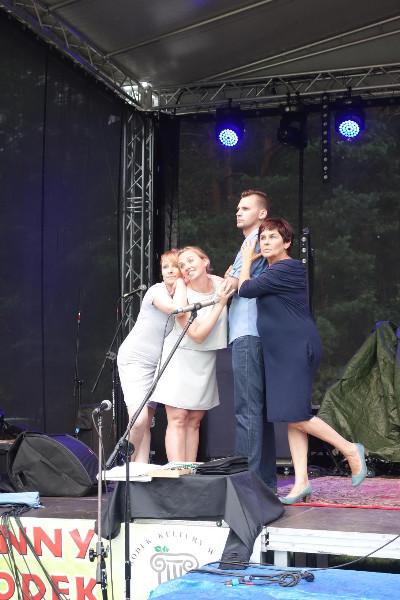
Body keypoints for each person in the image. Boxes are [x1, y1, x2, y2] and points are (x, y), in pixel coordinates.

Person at [238, 217, 367, 503]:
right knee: (291, 416)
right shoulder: (271, 271)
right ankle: (301, 482)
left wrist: (247, 259)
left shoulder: (288, 267)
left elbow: (244, 289)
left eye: (273, 237)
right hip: (280, 352)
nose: (266, 242)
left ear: (287, 243)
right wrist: (250, 262)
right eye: (263, 238)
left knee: (295, 415)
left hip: (295, 348)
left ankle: (350, 449)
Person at [151, 246, 234, 462]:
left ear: (205, 261)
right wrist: (220, 304)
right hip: (180, 355)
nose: (186, 266)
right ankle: (177, 471)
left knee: (195, 420)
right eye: (182, 264)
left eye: (191, 260)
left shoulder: (219, 283)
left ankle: (190, 472)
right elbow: (196, 335)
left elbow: (238, 281)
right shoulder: (182, 289)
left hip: (205, 358)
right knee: (178, 417)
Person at [226, 190, 277, 491]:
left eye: (245, 208)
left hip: (248, 333)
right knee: (258, 412)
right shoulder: (252, 243)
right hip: (254, 334)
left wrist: (224, 280)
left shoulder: (256, 241)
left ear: (262, 213)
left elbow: (234, 286)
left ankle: (247, 486)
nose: (238, 211)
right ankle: (264, 484)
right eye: (237, 207)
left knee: (247, 411)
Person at [117, 250, 183, 463]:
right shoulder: (156, 291)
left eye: (175, 266)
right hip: (135, 360)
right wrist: (181, 284)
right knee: (138, 420)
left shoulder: (183, 294)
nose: (170, 271)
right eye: (165, 267)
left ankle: (140, 469)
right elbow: (176, 310)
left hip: (156, 366)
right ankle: (125, 467)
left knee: (146, 422)